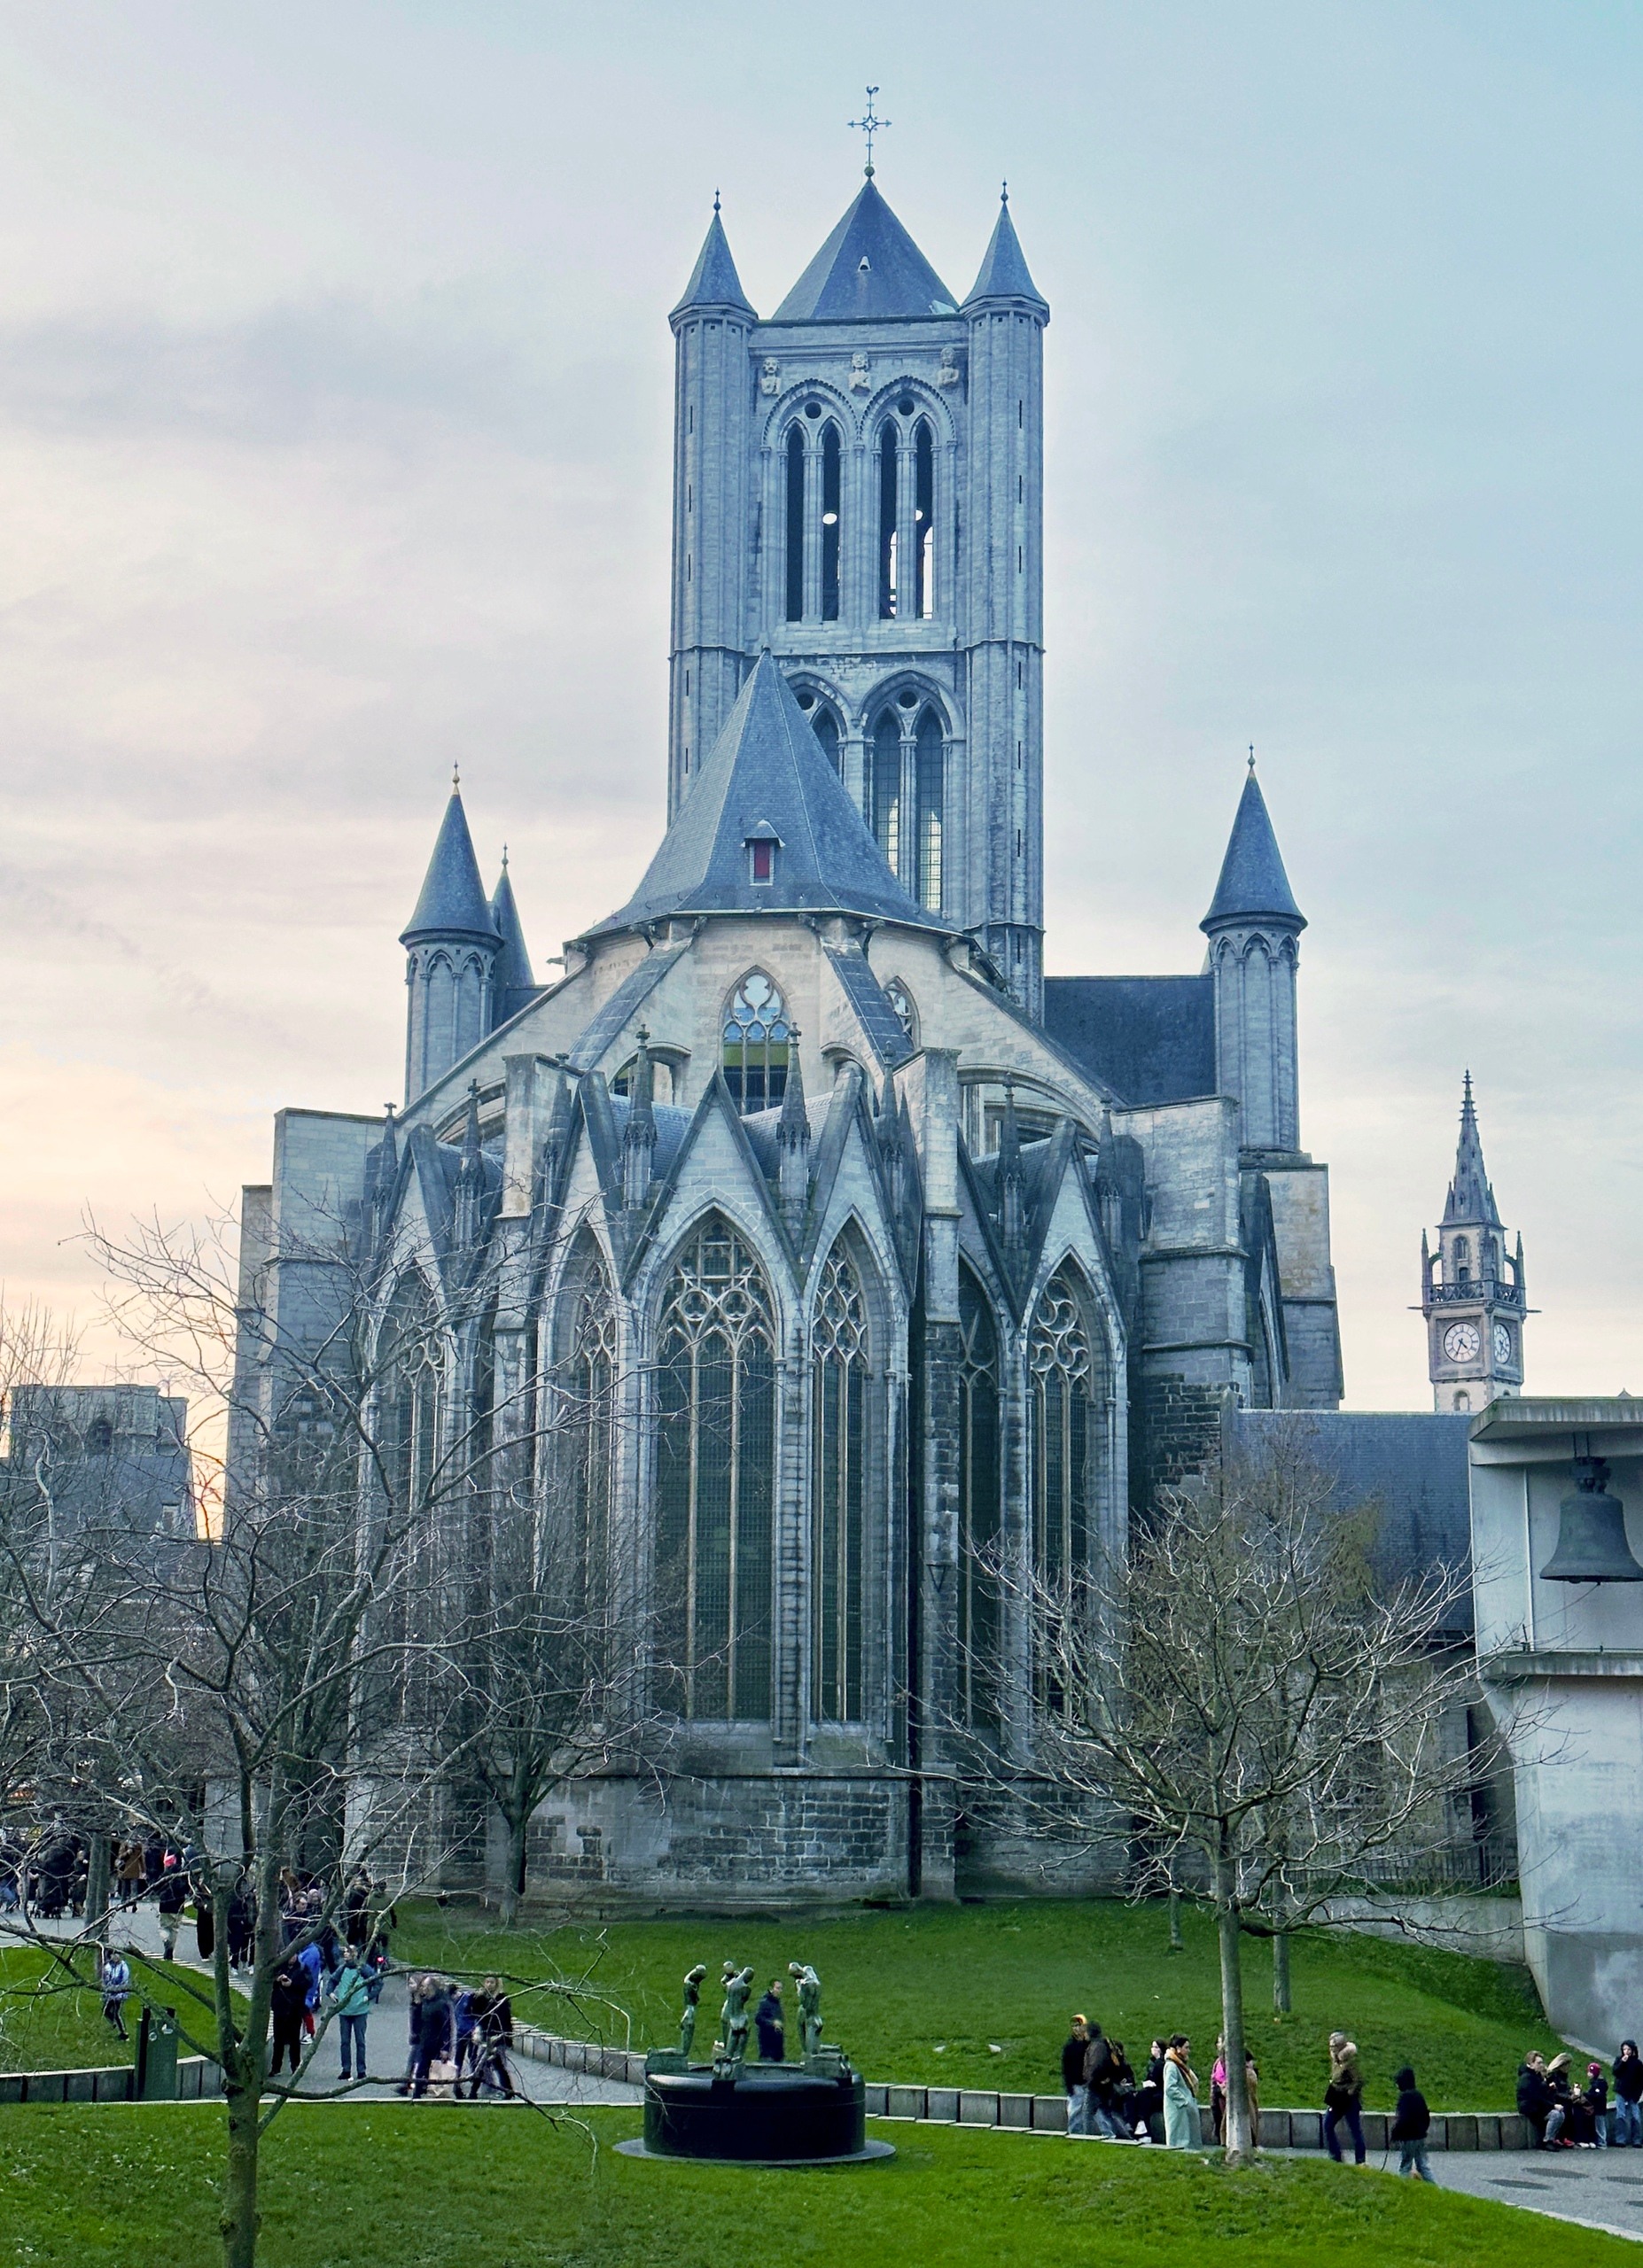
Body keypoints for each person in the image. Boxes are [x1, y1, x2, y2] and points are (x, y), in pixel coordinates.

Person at [327, 1953, 373, 2083]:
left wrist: (369, 1996)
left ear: (355, 1955)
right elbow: (332, 1981)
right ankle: (346, 2070)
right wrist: (330, 1993)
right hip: (344, 2011)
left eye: (348, 1954)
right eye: (345, 1955)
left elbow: (377, 1982)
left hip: (360, 2011)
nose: (346, 1957)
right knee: (345, 2042)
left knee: (360, 2042)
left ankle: (361, 2071)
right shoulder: (342, 1969)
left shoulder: (364, 1969)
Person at [468, 1976, 515, 2099]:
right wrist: (476, 1998)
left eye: (492, 1982)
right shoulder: (482, 1999)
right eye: (487, 1982)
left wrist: (506, 2037)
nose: (489, 1985)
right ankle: (483, 2090)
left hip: (498, 2037)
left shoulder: (501, 2000)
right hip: (486, 2036)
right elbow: (474, 2013)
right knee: (481, 2063)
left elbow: (505, 2020)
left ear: (497, 1984)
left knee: (497, 2065)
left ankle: (507, 2091)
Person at [1323, 2031, 1366, 2166]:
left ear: (1341, 2046)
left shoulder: (1350, 2061)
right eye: (1331, 2046)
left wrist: (1349, 2091)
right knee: (1327, 2125)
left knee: (1355, 2130)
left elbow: (1359, 2080)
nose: (1332, 2049)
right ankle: (1335, 2156)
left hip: (1349, 2101)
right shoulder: (1336, 2060)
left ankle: (1360, 2160)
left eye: (1334, 2046)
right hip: (1337, 2099)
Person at [413, 1976, 455, 2099]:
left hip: (437, 2044)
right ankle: (418, 2094)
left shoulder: (441, 2004)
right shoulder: (425, 2002)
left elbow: (446, 2026)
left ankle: (432, 2093)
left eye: (425, 1986)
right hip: (425, 2042)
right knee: (421, 2070)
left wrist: (445, 2047)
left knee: (435, 2071)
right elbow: (418, 2021)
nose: (422, 1989)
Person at [1391, 2064, 1434, 2182]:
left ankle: (1404, 2186)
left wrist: (1395, 2133)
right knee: (1423, 2165)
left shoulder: (1405, 2098)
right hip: (1420, 2136)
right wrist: (1423, 2130)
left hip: (1408, 2137)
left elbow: (1403, 2119)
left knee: (1405, 2166)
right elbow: (1426, 2115)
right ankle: (1434, 2187)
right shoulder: (1418, 2095)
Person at [1517, 2052, 1567, 2148]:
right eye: (1538, 2063)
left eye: (1542, 2062)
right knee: (1556, 2115)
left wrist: (1550, 2089)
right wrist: (1553, 2106)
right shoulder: (1527, 2078)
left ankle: (1551, 2138)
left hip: (1538, 2106)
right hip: (1530, 2107)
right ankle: (1547, 2141)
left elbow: (1543, 2094)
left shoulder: (1537, 2076)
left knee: (1561, 2114)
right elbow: (1535, 2097)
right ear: (1531, 2064)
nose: (1541, 2065)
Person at [269, 1962, 307, 2078]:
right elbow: (269, 1985)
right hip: (279, 2010)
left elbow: (306, 1985)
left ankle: (295, 2066)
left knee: (294, 2040)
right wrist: (277, 1981)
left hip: (295, 2010)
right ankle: (276, 2067)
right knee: (278, 2040)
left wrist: (292, 1984)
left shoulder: (301, 1969)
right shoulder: (279, 1968)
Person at [1163, 2034, 1199, 2149]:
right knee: (1180, 2137)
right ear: (1178, 2048)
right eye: (1186, 2047)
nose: (1188, 2050)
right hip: (1177, 2108)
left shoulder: (1179, 2064)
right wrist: (1184, 2101)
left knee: (1186, 2135)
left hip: (1182, 2107)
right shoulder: (1171, 2066)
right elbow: (1169, 2088)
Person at [395, 1975, 428, 2095]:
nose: (409, 1986)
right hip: (416, 2035)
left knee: (416, 2061)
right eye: (409, 1983)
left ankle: (409, 2084)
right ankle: (408, 2084)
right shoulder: (414, 1999)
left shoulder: (423, 2001)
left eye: (412, 1983)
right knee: (414, 2060)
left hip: (423, 2035)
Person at [1061, 2015, 1091, 2136]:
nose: (1076, 2028)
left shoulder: (1090, 2044)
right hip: (1076, 2084)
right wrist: (1069, 2086)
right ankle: (1075, 2134)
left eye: (1079, 2025)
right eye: (1074, 2026)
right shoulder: (1069, 2047)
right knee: (1075, 2110)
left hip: (1089, 2083)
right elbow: (1066, 2068)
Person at [156, 1865, 189, 1961]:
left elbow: (157, 1887)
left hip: (165, 1905)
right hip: (178, 1906)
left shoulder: (165, 1875)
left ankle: (166, 1940)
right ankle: (171, 1950)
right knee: (174, 1929)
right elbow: (187, 1889)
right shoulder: (183, 1877)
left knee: (163, 1927)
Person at [99, 1948, 132, 2043]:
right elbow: (105, 1980)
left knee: (116, 2013)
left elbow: (124, 1981)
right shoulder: (108, 1967)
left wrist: (121, 1993)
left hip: (119, 1994)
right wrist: (105, 1992)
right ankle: (115, 2024)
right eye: (114, 1955)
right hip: (110, 1994)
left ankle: (124, 2033)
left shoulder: (123, 1967)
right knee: (106, 2011)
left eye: (117, 1955)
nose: (116, 1957)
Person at [1615, 2041, 1643, 2147]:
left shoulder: (1637, 2063)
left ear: (1633, 2050)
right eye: (1624, 2049)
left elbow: (1640, 2080)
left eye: (1629, 2049)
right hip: (1621, 2091)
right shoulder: (1619, 2060)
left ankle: (1637, 2139)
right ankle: (1620, 2139)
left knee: (1636, 2116)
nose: (1626, 2051)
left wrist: (1637, 2094)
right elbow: (1616, 2072)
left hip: (1633, 2092)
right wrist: (1622, 2062)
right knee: (1620, 2115)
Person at [1577, 2060, 1609, 2148]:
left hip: (1599, 2108)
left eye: (1590, 2072)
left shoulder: (1599, 2084)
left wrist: (1586, 2094)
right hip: (1598, 2108)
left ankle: (1602, 2143)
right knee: (1598, 2125)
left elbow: (1596, 2095)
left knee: (1600, 2126)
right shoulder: (1596, 2083)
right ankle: (1599, 2141)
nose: (1588, 2074)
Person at [754, 1978, 786, 2062]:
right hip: (767, 2045)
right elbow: (758, 2018)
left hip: (777, 2047)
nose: (780, 1991)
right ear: (771, 1989)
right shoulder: (764, 2002)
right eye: (778, 1988)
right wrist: (772, 2023)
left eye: (781, 1988)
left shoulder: (777, 2003)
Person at [1211, 2039, 1226, 2147]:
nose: (1217, 2044)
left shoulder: (1226, 2062)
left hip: (1223, 2098)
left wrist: (1221, 2087)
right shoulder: (1218, 2061)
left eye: (1220, 2042)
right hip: (1217, 2098)